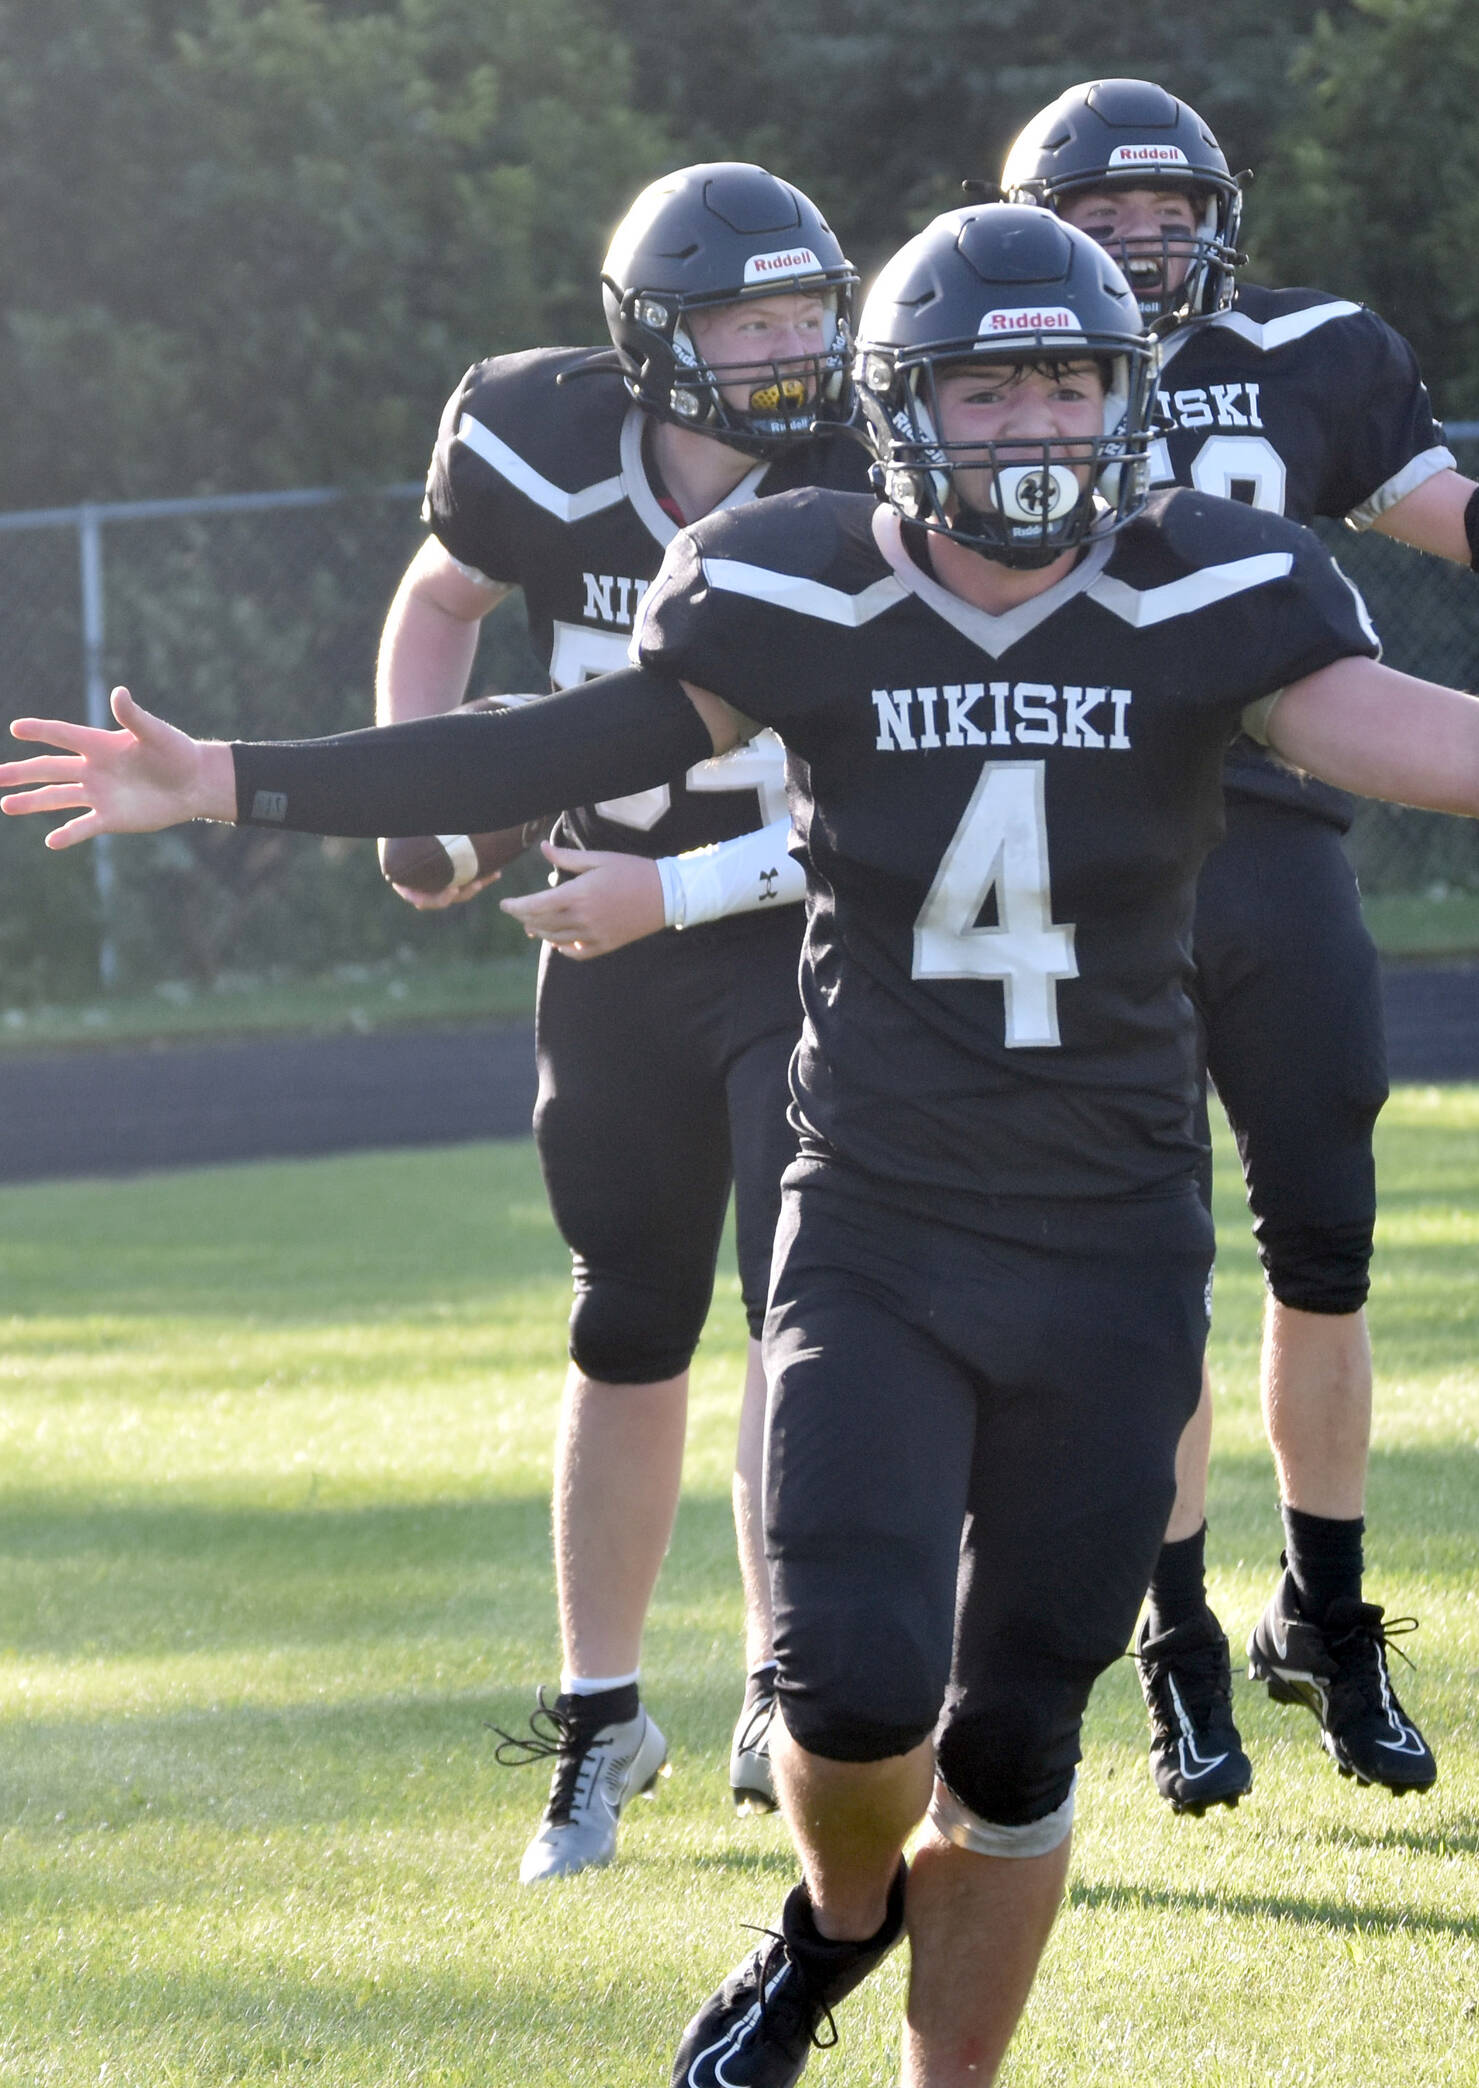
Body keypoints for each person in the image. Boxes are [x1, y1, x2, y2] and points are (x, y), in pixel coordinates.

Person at [0, 204, 1479, 2088]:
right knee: (856, 1694)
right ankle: (835, 1912)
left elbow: (1473, 751)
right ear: (899, 408)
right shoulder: (788, 584)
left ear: (1127, 394)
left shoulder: (1217, 581)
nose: (1034, 416)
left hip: (1116, 1243)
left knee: (1024, 1731)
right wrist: (233, 778)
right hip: (872, 1219)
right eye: (988, 378)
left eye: (1066, 375)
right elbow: (551, 742)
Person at [996, 78, 1479, 1809]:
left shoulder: (1319, 352)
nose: (1144, 238)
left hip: (1276, 829)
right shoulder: (1001, 371)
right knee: (1146, 1272)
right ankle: (1177, 1645)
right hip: (1092, 846)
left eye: (1170, 206)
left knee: (1324, 1247)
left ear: (1225, 212)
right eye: (1105, 209)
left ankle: (1328, 1617)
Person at [374, 161, 872, 1878]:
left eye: (813, 309)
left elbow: (888, 796)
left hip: (794, 936)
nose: (798, 347)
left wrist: (667, 893)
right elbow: (437, 600)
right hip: (608, 956)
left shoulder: (869, 484)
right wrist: (423, 795)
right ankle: (602, 1714)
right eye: (756, 319)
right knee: (622, 1323)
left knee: (793, 1312)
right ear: (658, 338)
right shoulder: (531, 442)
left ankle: (775, 1686)